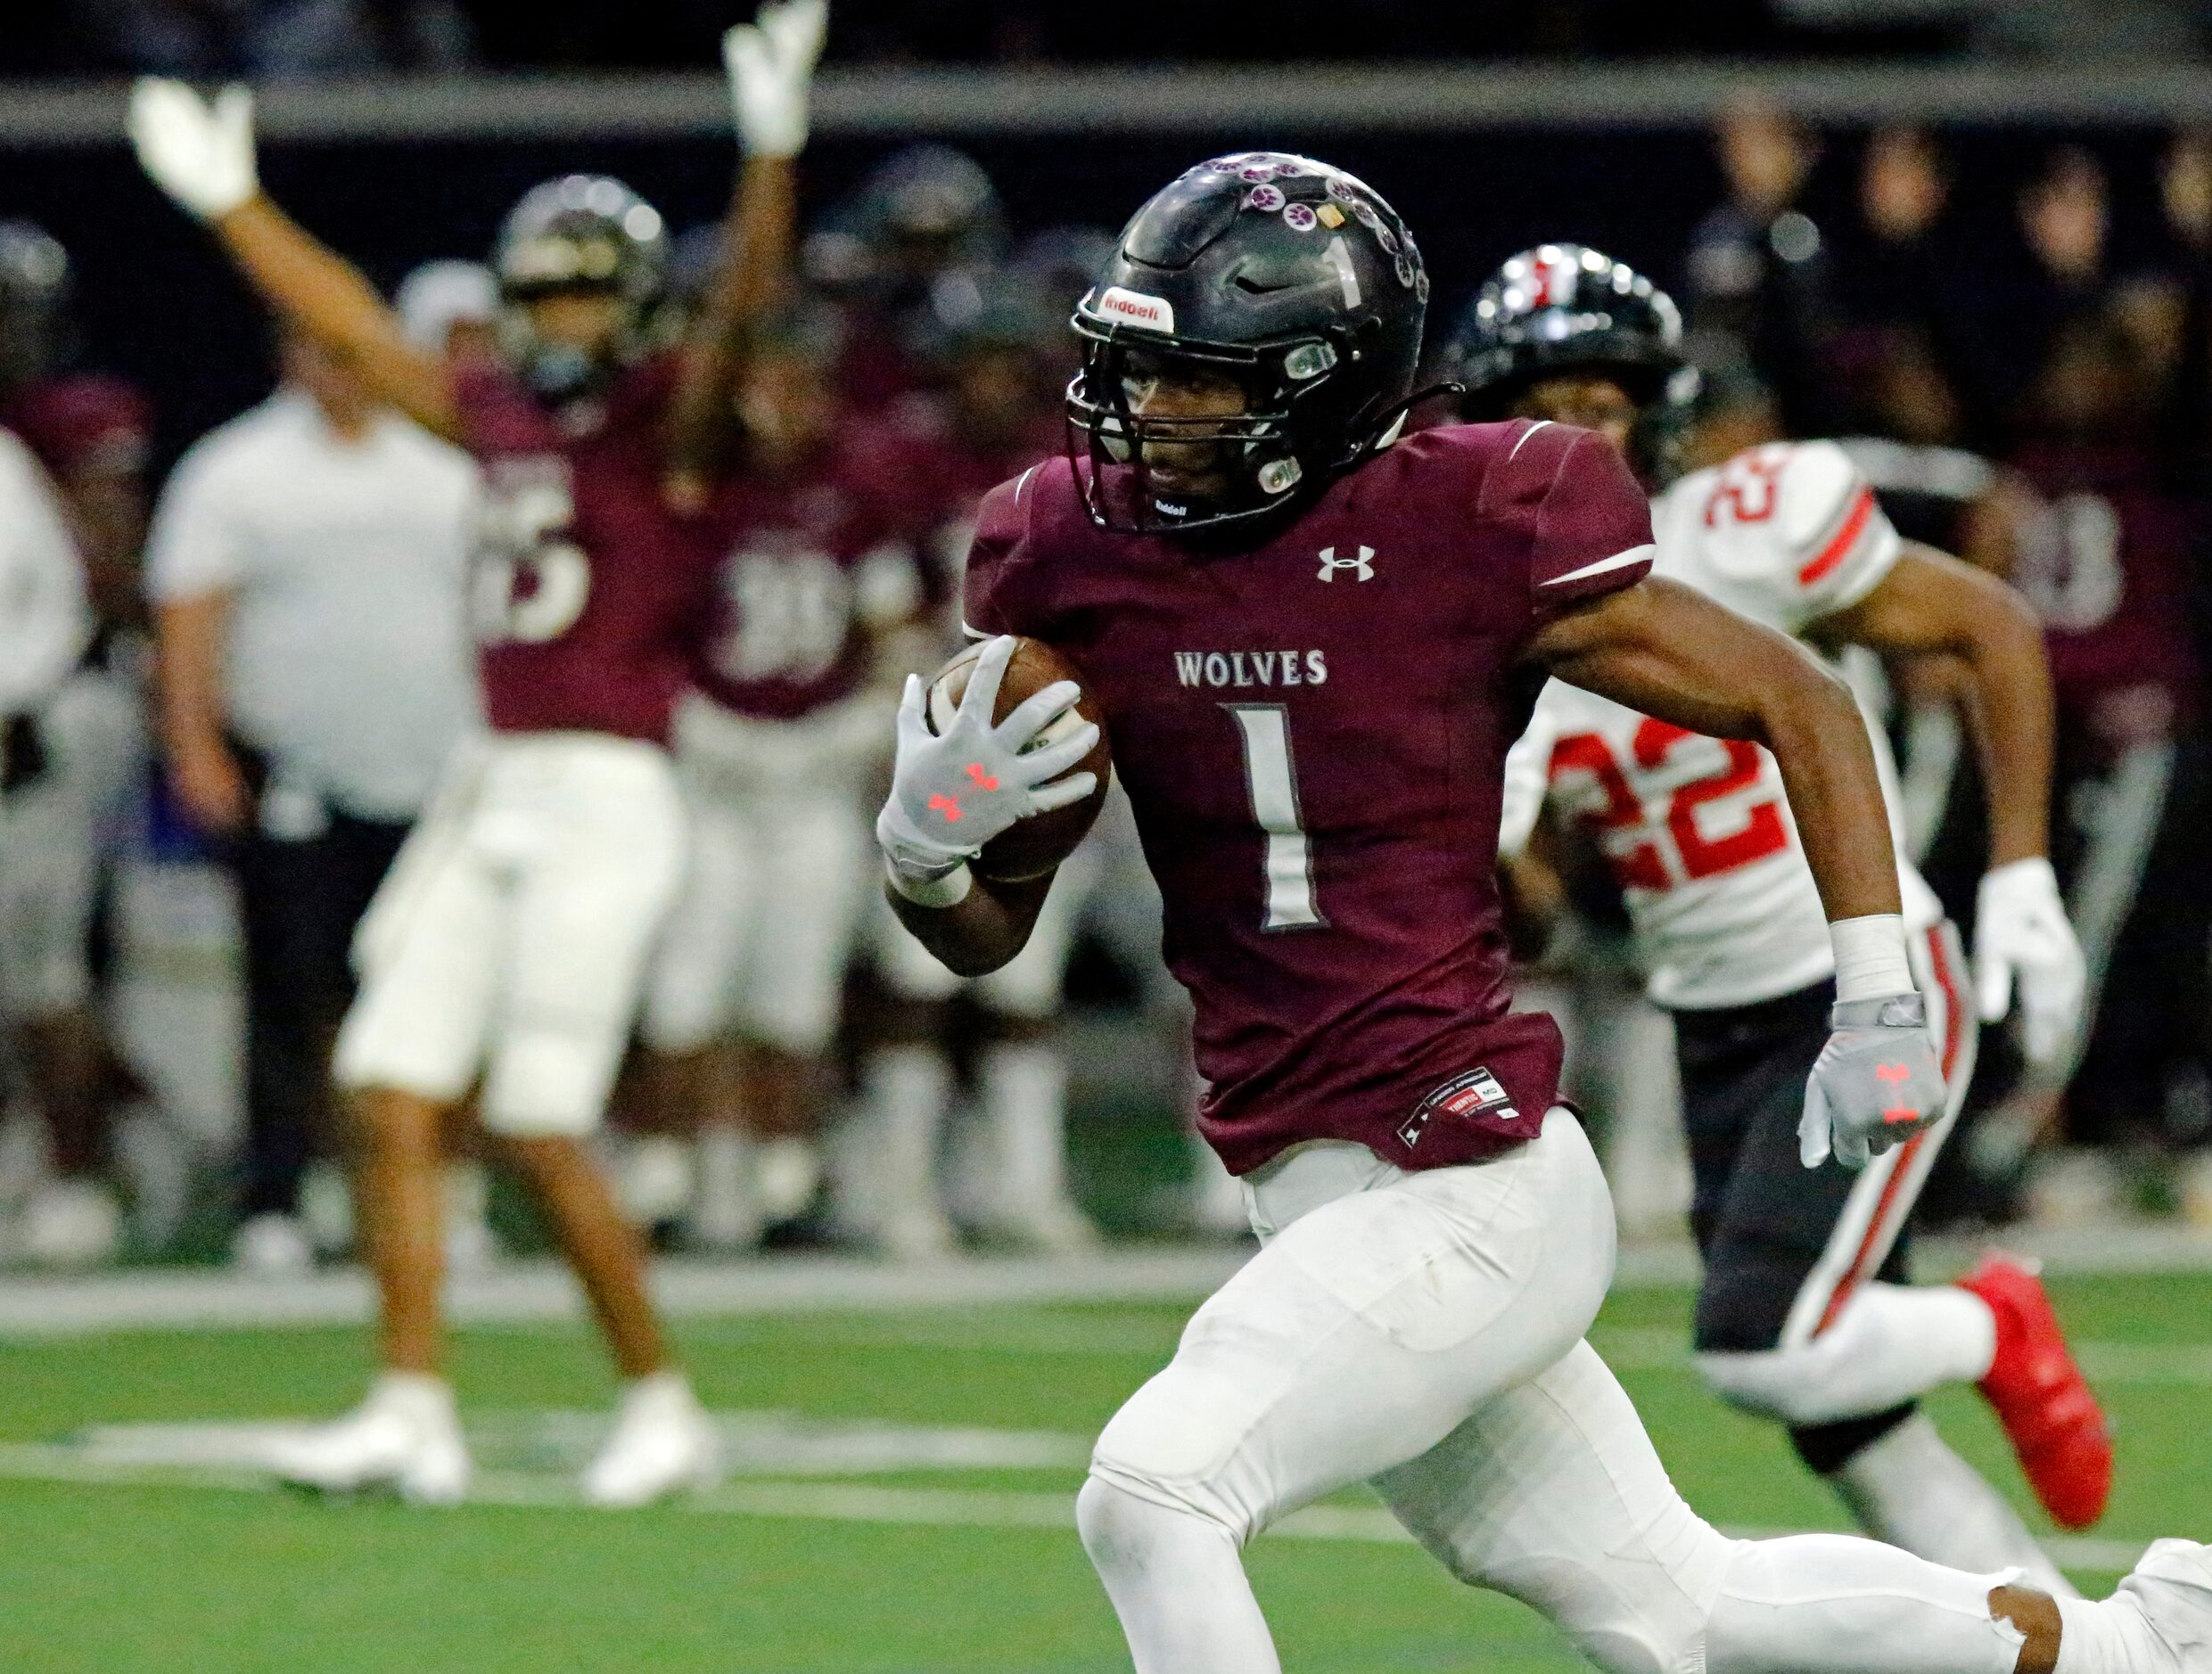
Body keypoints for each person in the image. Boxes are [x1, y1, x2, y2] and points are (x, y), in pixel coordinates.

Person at [874, 152, 2210, 1674]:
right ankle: (2147, 1644)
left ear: (1322, 383)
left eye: (1196, 378)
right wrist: (925, 855)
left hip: (1465, 1171)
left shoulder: (1474, 516)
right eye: (1138, 369)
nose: (1146, 414)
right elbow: (988, 931)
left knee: (1156, 1490)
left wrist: (1880, 988)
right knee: (1676, 1606)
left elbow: (1798, 693)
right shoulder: (1074, 546)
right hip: (1307, 1177)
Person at [124, 0, 825, 1504]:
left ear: (636, 308)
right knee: (386, 1081)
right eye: (542, 298)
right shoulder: (500, 416)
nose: (561, 322)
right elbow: (361, 339)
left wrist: (770, 155)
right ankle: (409, 1403)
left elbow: (743, 317)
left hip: (607, 793)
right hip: (492, 775)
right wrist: (233, 204)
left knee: (537, 1117)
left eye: (586, 298)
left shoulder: (670, 431)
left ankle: (659, 1398)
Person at [1454, 246, 2103, 1580]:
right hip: (1710, 1019)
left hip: (1853, 980)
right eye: (1543, 397)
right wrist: (1470, 843)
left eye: (1603, 395)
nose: (1578, 427)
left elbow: (1986, 623)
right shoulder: (1476, 617)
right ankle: (2061, 1644)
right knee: (1843, 1421)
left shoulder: (1740, 526)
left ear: (1657, 406)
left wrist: (2021, 869)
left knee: (1764, 1344)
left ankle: (1990, 1318)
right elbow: (1532, 922)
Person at [147, 325, 480, 1274]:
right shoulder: (238, 470)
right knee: (293, 991)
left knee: (431, 990)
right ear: (290, 359)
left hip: (434, 771)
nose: (339, 371)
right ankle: (281, 1194)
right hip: (296, 772)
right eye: (322, 353)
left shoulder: (444, 467)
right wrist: (195, 743)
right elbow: (191, 612)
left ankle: (433, 1191)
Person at [635, 296, 924, 1251]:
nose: (780, 406)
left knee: (794, 989)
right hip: (711, 769)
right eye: (765, 384)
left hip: (811, 770)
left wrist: (867, 725)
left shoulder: (857, 483)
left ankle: (784, 1183)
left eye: (797, 384)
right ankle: (667, 1179)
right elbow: (646, 627)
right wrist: (687, 722)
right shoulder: (694, 485)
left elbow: (890, 628)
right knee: (687, 981)